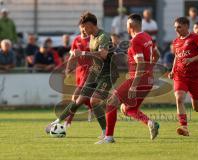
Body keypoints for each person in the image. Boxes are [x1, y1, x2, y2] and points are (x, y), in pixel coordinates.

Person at [46, 12, 119, 139]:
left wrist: (83, 53)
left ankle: (106, 133)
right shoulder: (92, 37)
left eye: (84, 27)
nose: (83, 30)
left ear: (90, 25)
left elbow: (103, 55)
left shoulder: (103, 37)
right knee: (78, 99)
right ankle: (57, 121)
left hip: (107, 74)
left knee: (94, 100)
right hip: (95, 72)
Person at [95, 14, 160, 144]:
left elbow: (140, 63)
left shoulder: (135, 41)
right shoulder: (147, 37)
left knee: (111, 102)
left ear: (130, 26)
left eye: (126, 24)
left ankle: (108, 137)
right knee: (128, 109)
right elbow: (156, 55)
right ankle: (150, 123)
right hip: (149, 80)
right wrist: (150, 69)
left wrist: (134, 85)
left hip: (138, 79)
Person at [169, 17, 198, 136]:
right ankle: (184, 127)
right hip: (180, 76)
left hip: (195, 77)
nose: (176, 30)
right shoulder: (176, 41)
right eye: (175, 27)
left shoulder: (195, 37)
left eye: (179, 27)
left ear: (186, 26)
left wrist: (192, 59)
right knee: (179, 98)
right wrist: (173, 70)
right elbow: (177, 57)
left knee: (197, 108)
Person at [62, 24, 92, 127]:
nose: (84, 29)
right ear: (79, 27)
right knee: (84, 97)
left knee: (76, 95)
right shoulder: (76, 40)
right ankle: (93, 108)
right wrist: (68, 68)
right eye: (82, 26)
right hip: (79, 71)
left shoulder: (92, 39)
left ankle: (68, 120)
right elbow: (72, 55)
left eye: (85, 26)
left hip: (90, 71)